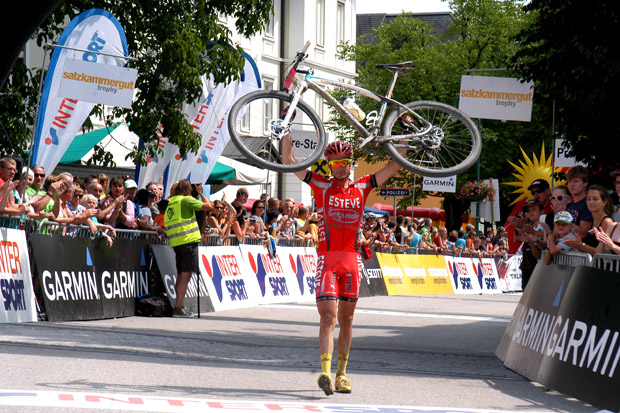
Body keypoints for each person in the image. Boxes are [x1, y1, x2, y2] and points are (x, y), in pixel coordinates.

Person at [283, 135, 404, 395]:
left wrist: (405, 133)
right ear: (329, 164)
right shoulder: (320, 184)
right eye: (334, 162)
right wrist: (286, 129)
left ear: (351, 163)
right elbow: (288, 161)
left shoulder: (363, 186)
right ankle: (325, 372)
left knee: (347, 321)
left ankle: (342, 374)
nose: (339, 166)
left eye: (344, 162)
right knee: (328, 318)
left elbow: (396, 164)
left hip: (351, 261)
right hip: (327, 261)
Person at [165, 180, 213, 317]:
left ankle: (177, 304)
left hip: (176, 241)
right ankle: (178, 307)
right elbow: (208, 206)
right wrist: (200, 193)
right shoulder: (186, 200)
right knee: (186, 275)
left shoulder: (172, 200)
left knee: (180, 274)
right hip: (188, 240)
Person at [563, 184, 615, 255]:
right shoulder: (592, 221)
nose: (591, 202)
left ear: (604, 202)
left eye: (595, 199)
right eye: (588, 199)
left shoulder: (607, 222)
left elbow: (601, 252)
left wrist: (581, 246)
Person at [565, 165, 593, 241]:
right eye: (569, 181)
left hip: (581, 248)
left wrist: (563, 218)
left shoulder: (588, 203)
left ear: (585, 183)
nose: (571, 185)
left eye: (576, 181)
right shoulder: (569, 205)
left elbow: (583, 232)